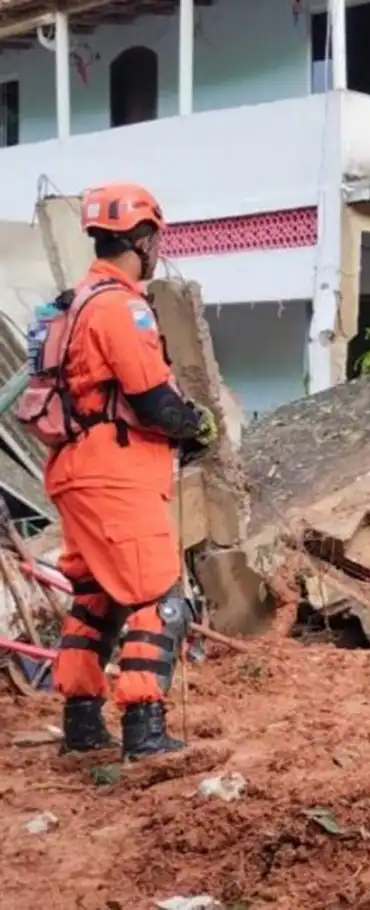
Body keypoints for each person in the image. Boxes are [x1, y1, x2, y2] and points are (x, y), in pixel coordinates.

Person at [41, 183, 216, 760]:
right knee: (157, 597)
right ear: (141, 239)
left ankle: (83, 728)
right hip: (115, 473)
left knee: (95, 599)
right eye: (155, 239)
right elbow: (154, 402)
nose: (158, 248)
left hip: (72, 470)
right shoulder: (122, 307)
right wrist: (196, 425)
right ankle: (144, 730)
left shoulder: (72, 305)